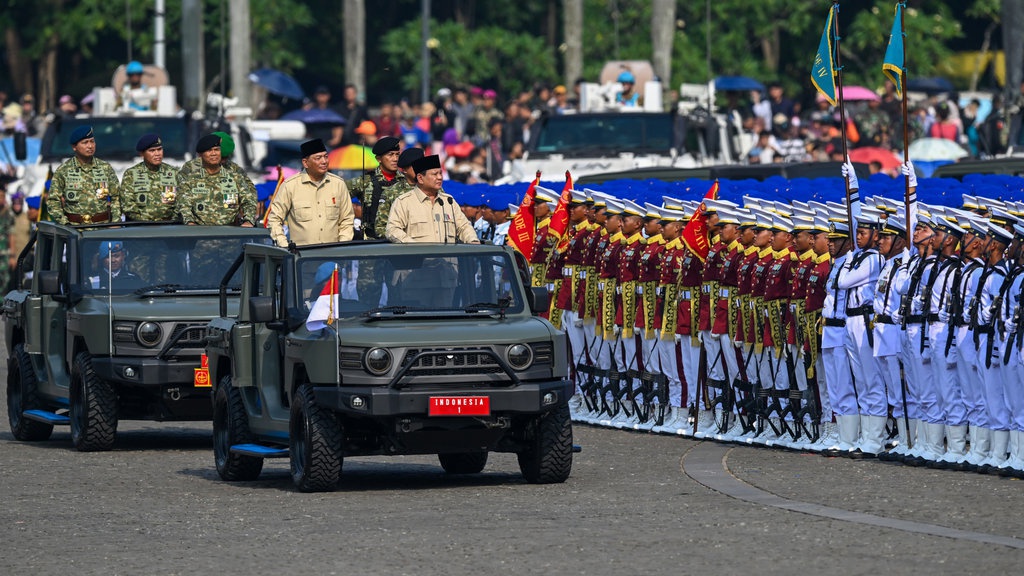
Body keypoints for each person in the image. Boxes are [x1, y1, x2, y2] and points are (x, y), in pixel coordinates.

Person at [267, 138, 354, 247]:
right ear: (305, 163)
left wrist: (342, 246)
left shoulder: (338, 184)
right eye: (318, 158)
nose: (324, 161)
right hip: (302, 257)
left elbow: (347, 220)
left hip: (333, 255)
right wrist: (284, 246)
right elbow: (274, 219)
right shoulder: (290, 186)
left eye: (326, 156)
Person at [385, 155, 478, 244]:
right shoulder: (404, 202)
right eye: (435, 174)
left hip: (447, 259)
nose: (440, 177)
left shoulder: (448, 201)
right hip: (418, 259)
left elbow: (464, 226)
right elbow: (393, 230)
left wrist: (472, 240)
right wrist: (413, 246)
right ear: (420, 178)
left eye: (440, 173)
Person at [175, 133, 256, 226]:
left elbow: (249, 200)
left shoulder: (235, 177)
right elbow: (184, 205)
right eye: (209, 151)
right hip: (200, 234)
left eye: (217, 150)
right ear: (200, 155)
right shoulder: (190, 180)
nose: (214, 153)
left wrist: (248, 220)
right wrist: (190, 222)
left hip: (230, 233)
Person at [47, 125, 120, 225]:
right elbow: (53, 201)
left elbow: (116, 198)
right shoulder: (64, 170)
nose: (90, 146)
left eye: (92, 141)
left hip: (102, 227)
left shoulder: (105, 168)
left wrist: (115, 223)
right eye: (85, 143)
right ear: (74, 147)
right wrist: (65, 224)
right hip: (74, 228)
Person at [347, 136, 403, 240]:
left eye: (397, 155)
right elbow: (339, 194)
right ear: (379, 159)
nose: (395, 159)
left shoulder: (404, 181)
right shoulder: (365, 181)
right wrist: (354, 209)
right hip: (371, 240)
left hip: (399, 239)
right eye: (390, 155)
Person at [119, 133, 180, 222]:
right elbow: (127, 205)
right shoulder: (131, 174)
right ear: (142, 154)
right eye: (152, 151)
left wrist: (171, 221)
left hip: (168, 226)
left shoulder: (174, 173)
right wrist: (147, 222)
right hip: (140, 227)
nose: (157, 154)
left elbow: (181, 201)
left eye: (159, 149)